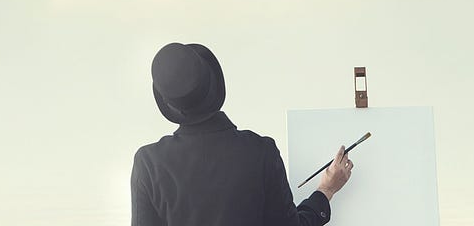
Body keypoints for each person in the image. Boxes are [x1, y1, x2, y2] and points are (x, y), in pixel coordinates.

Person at [132, 43, 355, 226]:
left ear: (170, 105)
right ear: (214, 86)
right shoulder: (261, 152)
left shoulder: (148, 164)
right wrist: (326, 190)